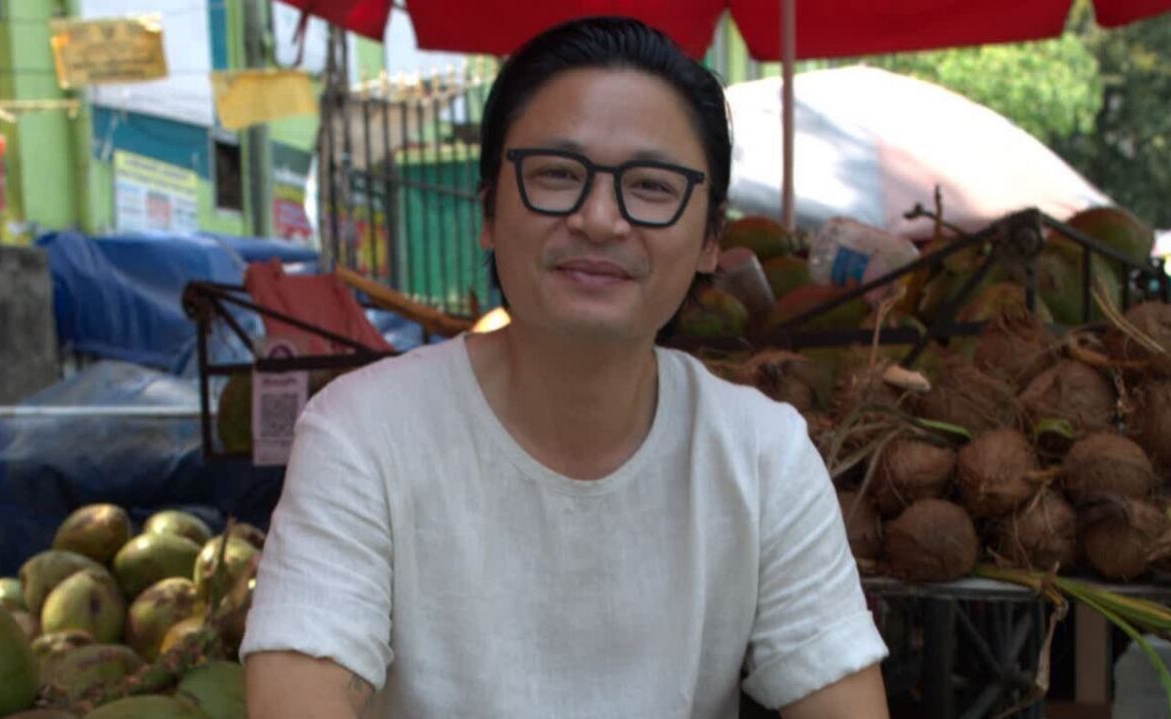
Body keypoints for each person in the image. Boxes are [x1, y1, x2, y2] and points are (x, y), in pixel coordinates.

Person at [241, 16, 889, 719]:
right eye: (556, 174)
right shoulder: (362, 433)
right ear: (489, 213)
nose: (600, 219)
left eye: (651, 185)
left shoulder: (764, 455)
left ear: (711, 238)